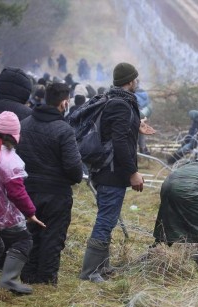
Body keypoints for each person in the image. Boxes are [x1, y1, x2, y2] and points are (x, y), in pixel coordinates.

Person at [78, 62, 145, 283]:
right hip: (111, 171)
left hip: (106, 170)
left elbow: (118, 132)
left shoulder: (115, 100)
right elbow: (120, 142)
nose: (137, 82)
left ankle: (102, 265)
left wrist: (137, 126)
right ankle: (90, 272)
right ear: (130, 81)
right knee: (106, 219)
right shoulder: (121, 105)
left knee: (109, 217)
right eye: (136, 78)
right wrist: (133, 173)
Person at [17, 82, 83, 285]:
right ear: (64, 103)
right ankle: (46, 280)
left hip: (27, 191)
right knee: (52, 237)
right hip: (56, 194)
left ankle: (27, 275)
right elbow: (74, 169)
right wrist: (74, 178)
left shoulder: (24, 124)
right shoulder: (64, 131)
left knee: (30, 234)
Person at [0, 111, 45, 294]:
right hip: (2, 212)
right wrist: (30, 212)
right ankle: (8, 280)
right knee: (23, 240)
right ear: (16, 136)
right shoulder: (9, 160)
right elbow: (17, 192)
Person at [135, 86, 152, 155]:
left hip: (137, 114)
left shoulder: (133, 94)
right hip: (144, 114)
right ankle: (143, 148)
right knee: (141, 131)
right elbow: (149, 105)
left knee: (136, 133)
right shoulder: (145, 94)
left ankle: (136, 150)